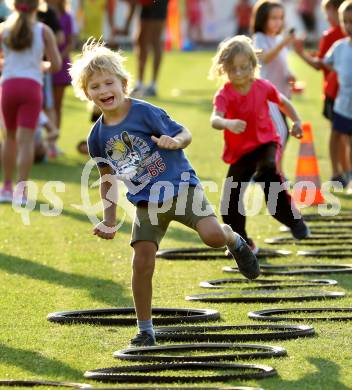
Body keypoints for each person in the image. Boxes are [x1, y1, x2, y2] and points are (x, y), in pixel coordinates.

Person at [69, 39, 260, 346]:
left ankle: (234, 240)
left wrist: (177, 142)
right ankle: (145, 329)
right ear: (85, 93)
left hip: (181, 186)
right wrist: (108, 219)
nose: (103, 91)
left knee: (212, 237)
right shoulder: (97, 136)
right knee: (141, 262)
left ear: (124, 83)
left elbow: (184, 132)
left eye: (109, 83)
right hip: (146, 203)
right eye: (94, 87)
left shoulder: (145, 113)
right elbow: (107, 178)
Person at [209, 35, 310, 253]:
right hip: (241, 152)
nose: (238, 74)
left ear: (253, 65)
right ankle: (243, 243)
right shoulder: (224, 94)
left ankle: (295, 221)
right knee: (229, 201)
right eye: (233, 69)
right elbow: (214, 119)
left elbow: (284, 103)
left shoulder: (263, 86)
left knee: (269, 176)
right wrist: (228, 122)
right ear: (224, 69)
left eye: (244, 68)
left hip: (266, 144)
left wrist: (297, 121)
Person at [0, 0, 61, 204]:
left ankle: (5, 188)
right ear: (38, 7)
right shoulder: (43, 31)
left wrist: (8, 64)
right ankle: (21, 191)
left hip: (8, 87)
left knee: (9, 138)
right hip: (32, 88)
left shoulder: (4, 29)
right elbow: (56, 65)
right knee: (26, 142)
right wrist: (40, 65)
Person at [294, 0, 346, 186]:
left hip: (335, 94)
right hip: (339, 95)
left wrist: (300, 52)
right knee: (342, 136)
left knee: (338, 134)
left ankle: (339, 172)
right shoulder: (336, 38)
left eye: (327, 13)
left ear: (334, 10)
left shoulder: (332, 35)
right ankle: (343, 173)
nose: (326, 17)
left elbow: (319, 63)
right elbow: (323, 59)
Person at [251, 0, 297, 175]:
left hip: (282, 96)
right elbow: (266, 59)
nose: (278, 22)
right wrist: (283, 43)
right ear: (262, 19)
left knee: (283, 135)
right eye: (273, 18)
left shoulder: (278, 40)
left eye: (280, 18)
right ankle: (267, 171)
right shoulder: (259, 39)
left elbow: (282, 65)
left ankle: (277, 171)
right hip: (267, 97)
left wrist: (290, 76)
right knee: (279, 133)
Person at [323, 0, 352, 192]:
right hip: (343, 105)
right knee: (336, 137)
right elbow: (326, 62)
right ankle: (336, 174)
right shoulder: (340, 46)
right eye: (346, 22)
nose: (349, 26)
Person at [123, 0, 169, 97]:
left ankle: (148, 85)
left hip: (154, 4)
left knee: (149, 40)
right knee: (146, 41)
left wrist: (126, 26)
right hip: (153, 5)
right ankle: (146, 84)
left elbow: (133, 4)